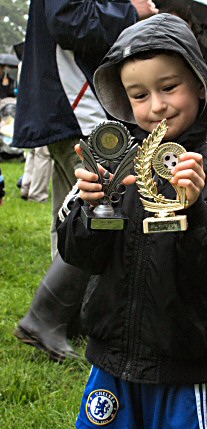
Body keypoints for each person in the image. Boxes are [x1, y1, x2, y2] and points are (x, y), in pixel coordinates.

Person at [57, 14, 207, 429]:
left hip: (179, 349)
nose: (157, 106)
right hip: (112, 344)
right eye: (139, 94)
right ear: (122, 100)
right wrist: (90, 209)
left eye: (170, 87)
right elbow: (77, 254)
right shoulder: (111, 162)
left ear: (199, 84)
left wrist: (195, 210)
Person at [13, 0, 158, 361]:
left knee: (74, 209)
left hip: (67, 104)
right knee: (107, 204)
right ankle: (44, 318)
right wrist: (131, 11)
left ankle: (65, 318)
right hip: (79, 103)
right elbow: (68, 19)